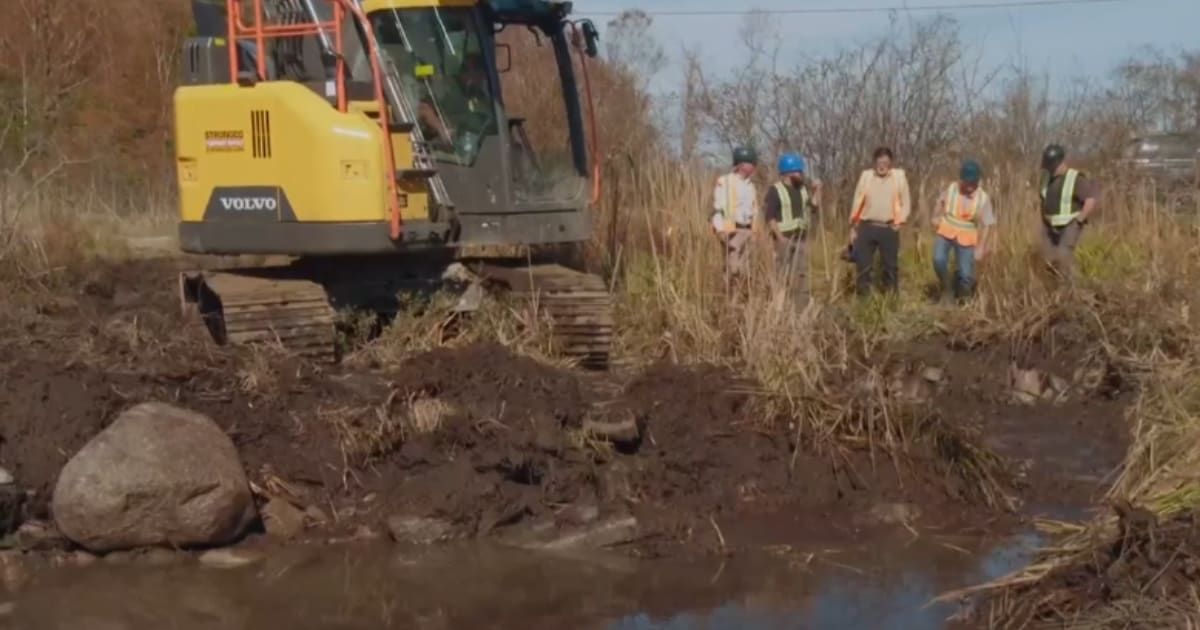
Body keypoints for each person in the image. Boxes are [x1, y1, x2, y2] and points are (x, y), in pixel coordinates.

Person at [849, 147, 912, 296]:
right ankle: (864, 301)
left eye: (885, 162)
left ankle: (891, 299)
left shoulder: (899, 178)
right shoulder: (866, 177)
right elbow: (857, 202)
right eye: (879, 163)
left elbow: (906, 203)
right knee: (863, 266)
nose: (882, 166)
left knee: (890, 267)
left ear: (890, 163)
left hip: (889, 227)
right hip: (866, 227)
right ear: (875, 163)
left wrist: (900, 221)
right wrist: (853, 227)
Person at [931, 160, 996, 303]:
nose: (970, 186)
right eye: (967, 182)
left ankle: (964, 300)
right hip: (946, 230)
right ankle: (947, 289)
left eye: (973, 182)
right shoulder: (952, 189)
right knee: (938, 260)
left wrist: (981, 247)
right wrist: (935, 216)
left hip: (967, 237)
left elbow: (988, 224)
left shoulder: (983, 198)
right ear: (961, 180)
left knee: (966, 275)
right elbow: (940, 202)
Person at [763, 152, 821, 307]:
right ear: (788, 172)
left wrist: (817, 191)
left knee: (802, 274)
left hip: (801, 238)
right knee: (781, 274)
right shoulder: (775, 190)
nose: (801, 174)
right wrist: (780, 238)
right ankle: (778, 307)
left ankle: (801, 307)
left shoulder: (803, 189)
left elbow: (814, 207)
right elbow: (770, 217)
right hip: (783, 239)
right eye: (798, 171)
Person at [1038, 144, 1098, 283]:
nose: (1050, 169)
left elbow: (1090, 200)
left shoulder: (1075, 178)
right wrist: (1044, 222)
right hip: (1049, 225)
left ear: (1061, 163)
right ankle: (1055, 284)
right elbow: (1042, 199)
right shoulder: (1046, 179)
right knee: (1049, 257)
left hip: (1070, 224)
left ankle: (1073, 286)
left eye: (1052, 166)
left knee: (1064, 254)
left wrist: (1079, 219)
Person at [712, 146, 759, 290]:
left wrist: (755, 232)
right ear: (742, 164)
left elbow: (754, 210)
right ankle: (728, 297)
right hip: (732, 232)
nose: (754, 166)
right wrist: (720, 230)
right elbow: (717, 208)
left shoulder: (751, 186)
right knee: (732, 269)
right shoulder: (725, 181)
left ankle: (742, 297)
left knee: (746, 271)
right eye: (752, 163)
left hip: (748, 231)